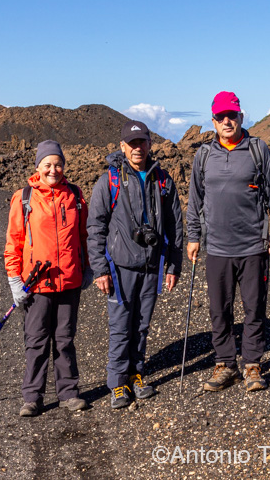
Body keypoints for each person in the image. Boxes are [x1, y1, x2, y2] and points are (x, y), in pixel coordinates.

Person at [186, 91, 270, 392]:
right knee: (219, 309)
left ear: (241, 117)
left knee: (254, 308)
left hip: (253, 244)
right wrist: (193, 237)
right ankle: (225, 364)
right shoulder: (204, 155)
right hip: (217, 247)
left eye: (232, 115)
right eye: (221, 117)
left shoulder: (257, 149)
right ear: (213, 121)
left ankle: (253, 365)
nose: (227, 121)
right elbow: (195, 200)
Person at [87, 120, 183, 409]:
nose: (137, 148)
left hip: (152, 266)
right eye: (132, 143)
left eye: (142, 142)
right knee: (120, 326)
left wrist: (173, 266)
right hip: (120, 268)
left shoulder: (162, 180)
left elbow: (175, 226)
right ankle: (117, 383)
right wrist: (100, 270)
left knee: (141, 326)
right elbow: (95, 228)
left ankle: (135, 374)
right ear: (122, 146)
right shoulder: (110, 181)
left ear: (150, 144)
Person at [4, 140, 89, 416]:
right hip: (36, 283)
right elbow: (13, 242)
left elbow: (85, 236)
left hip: (69, 282)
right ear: (38, 166)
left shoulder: (75, 195)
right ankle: (32, 397)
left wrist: (87, 267)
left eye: (58, 164)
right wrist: (14, 280)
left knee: (65, 339)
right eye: (48, 164)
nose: (53, 170)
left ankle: (69, 393)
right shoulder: (24, 198)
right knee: (36, 340)